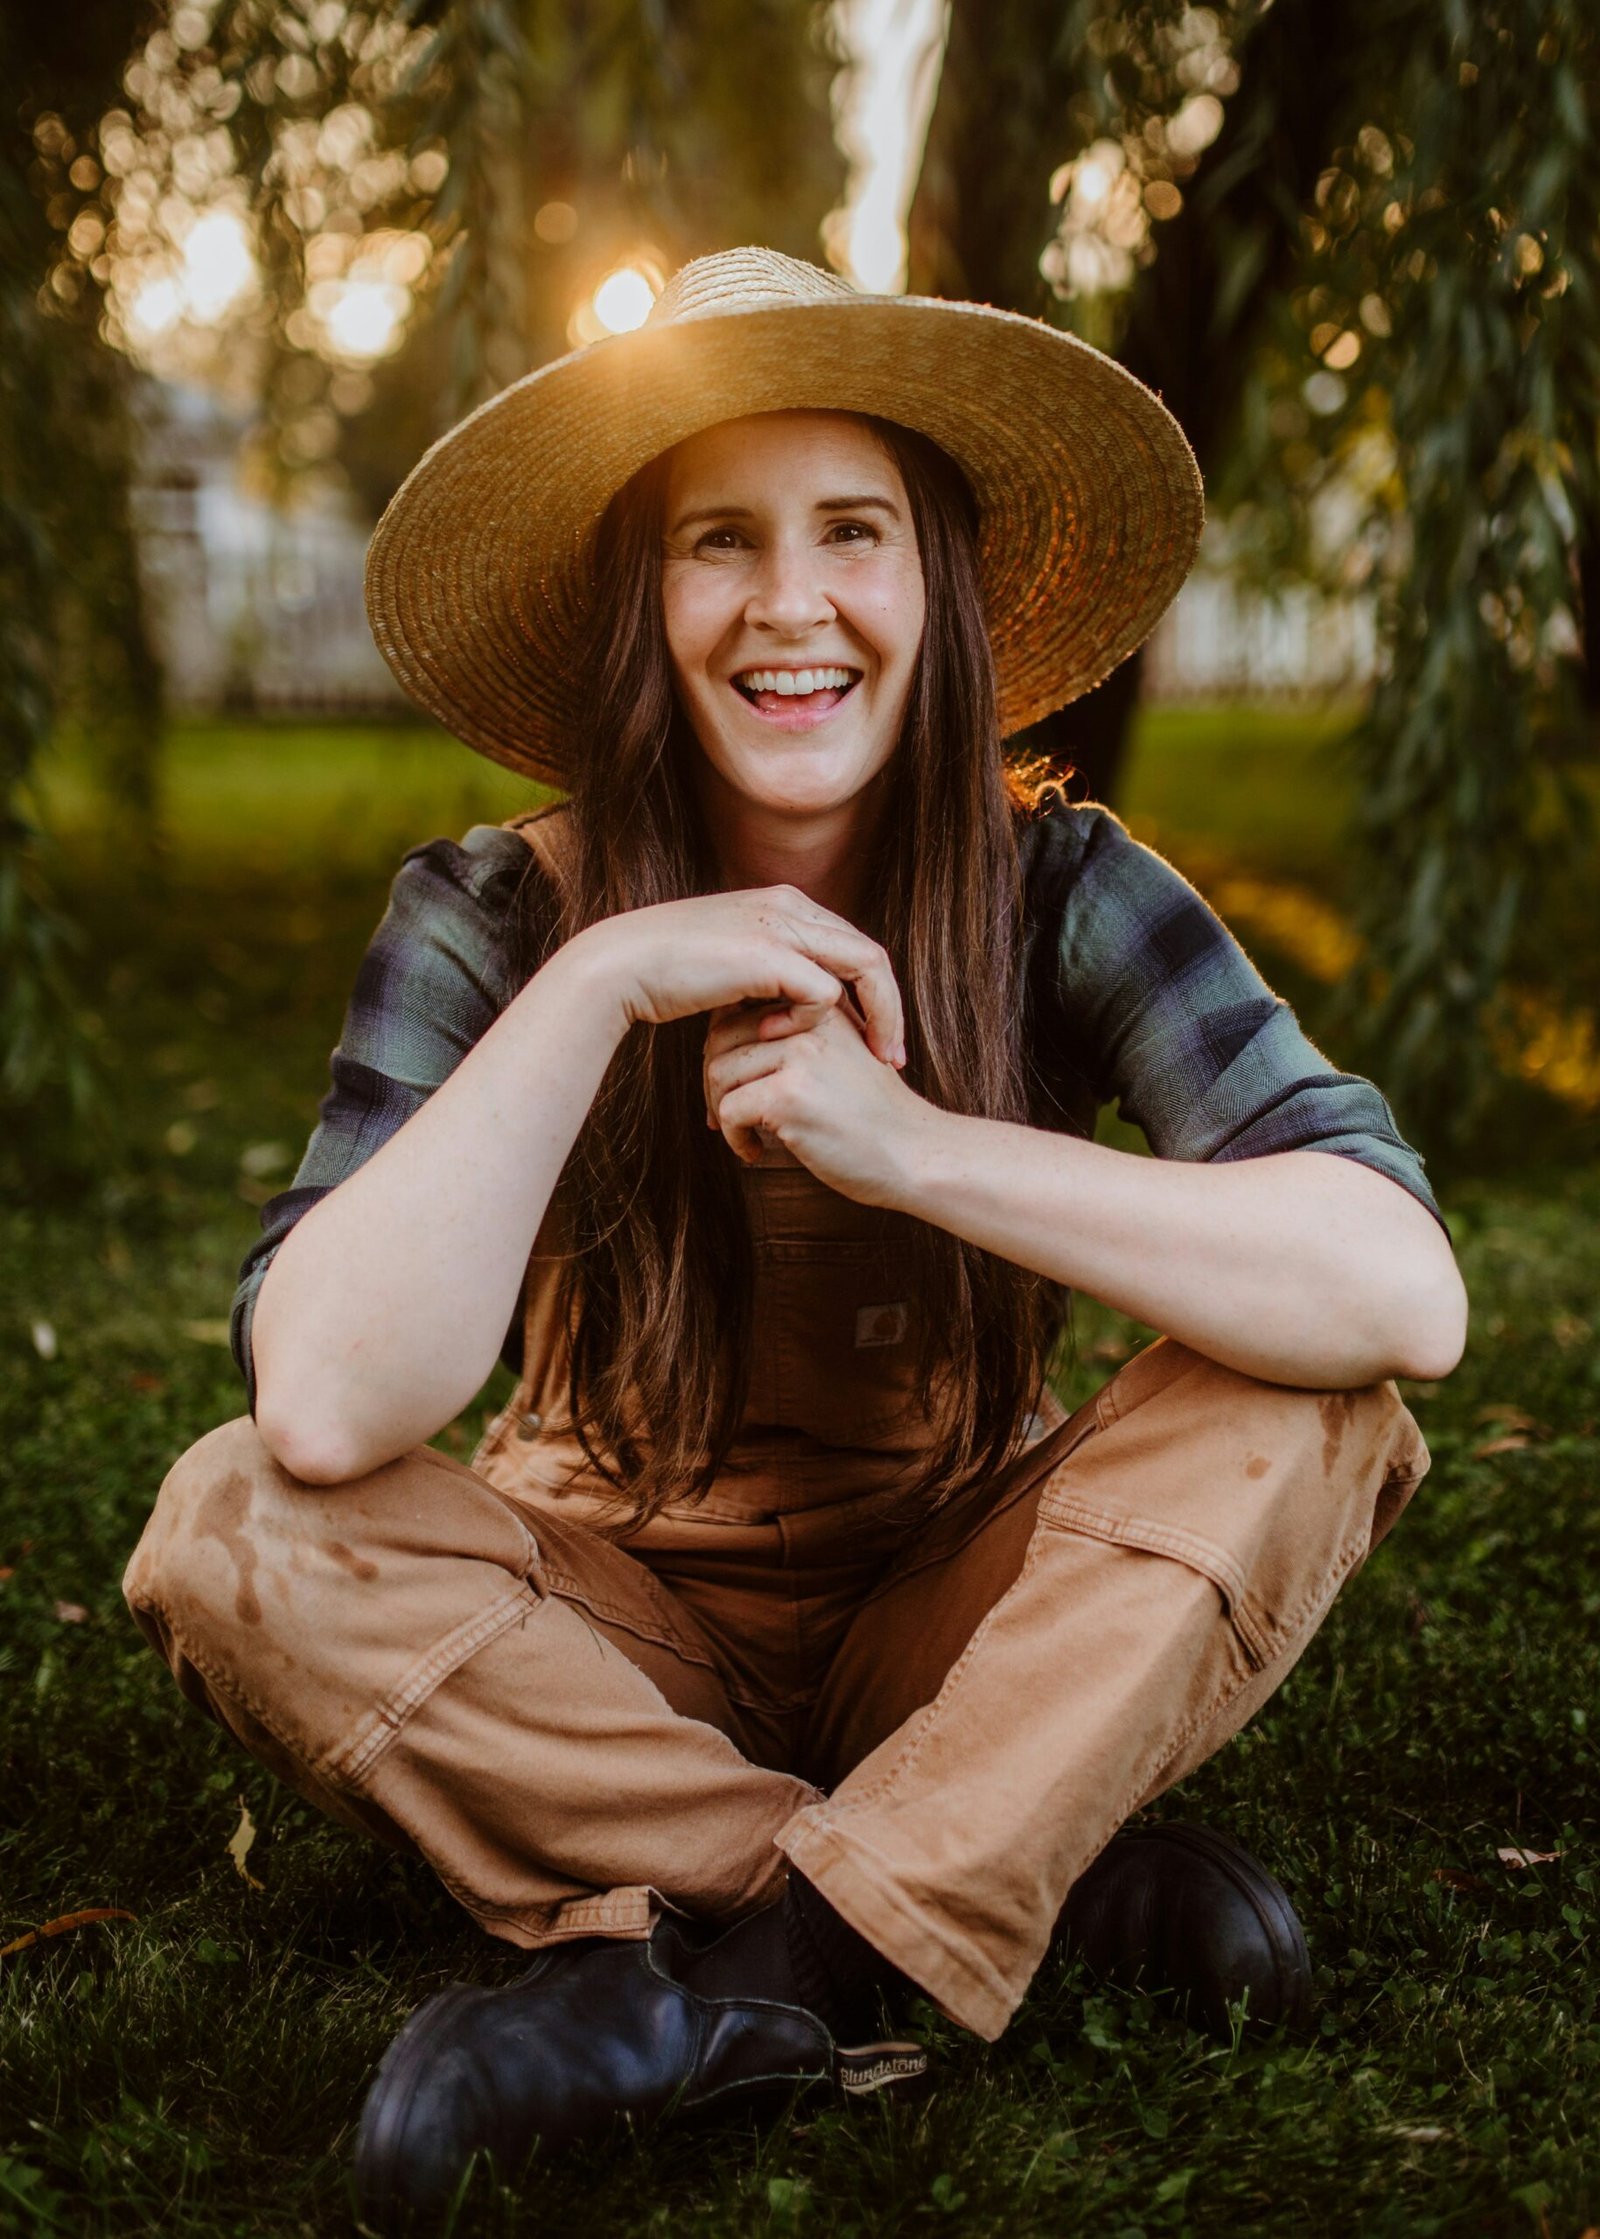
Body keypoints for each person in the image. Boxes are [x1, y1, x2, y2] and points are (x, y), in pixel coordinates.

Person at [122, 247, 1466, 2224]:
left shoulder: (1062, 889)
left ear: (934, 590)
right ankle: (994, 1870)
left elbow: (1398, 1286)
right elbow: (325, 1399)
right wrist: (600, 985)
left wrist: (909, 1146)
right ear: (640, 607)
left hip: (950, 1612)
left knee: (1312, 1398)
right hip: (596, 1631)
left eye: (850, 530)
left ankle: (754, 1976)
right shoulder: (494, 912)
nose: (785, 603)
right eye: (713, 542)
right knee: (230, 1520)